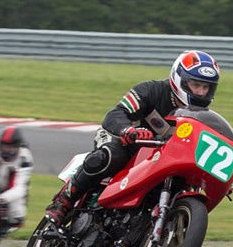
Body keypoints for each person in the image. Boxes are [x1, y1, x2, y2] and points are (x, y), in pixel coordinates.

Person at [45, 50, 221, 225]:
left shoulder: (202, 117)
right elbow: (115, 114)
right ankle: (64, 200)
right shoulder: (151, 90)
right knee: (111, 155)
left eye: (206, 87)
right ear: (179, 79)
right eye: (195, 84)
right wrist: (128, 130)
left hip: (160, 157)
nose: (200, 92)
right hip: (124, 141)